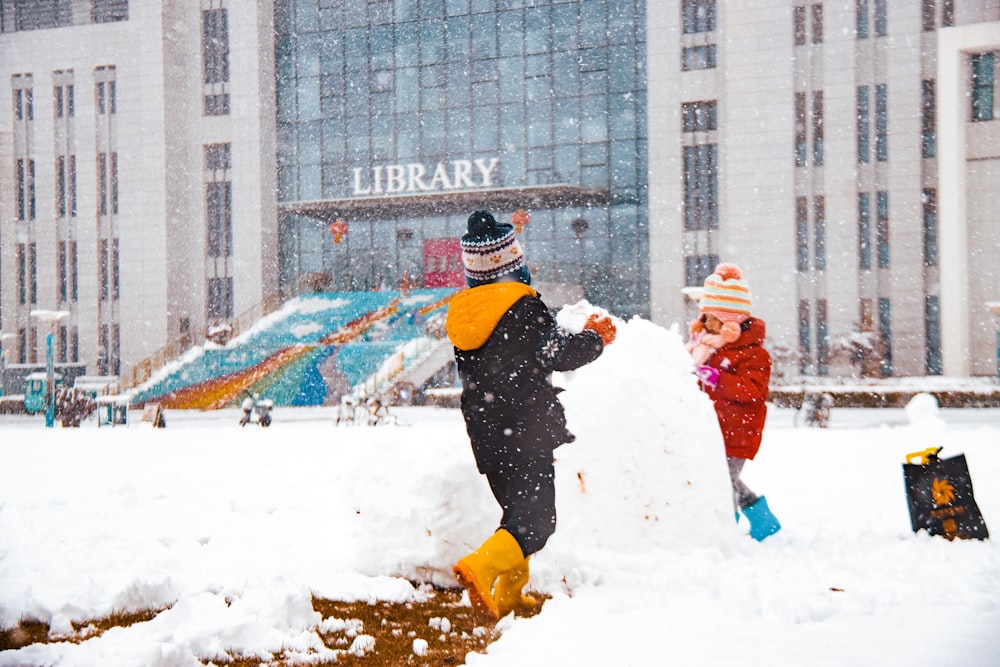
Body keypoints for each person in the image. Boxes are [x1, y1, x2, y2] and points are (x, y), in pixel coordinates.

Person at [446, 210, 616, 621]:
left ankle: (510, 595)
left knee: (516, 511)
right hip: (526, 426)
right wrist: (596, 337)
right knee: (538, 522)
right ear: (512, 265)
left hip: (487, 431)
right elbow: (558, 353)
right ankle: (482, 566)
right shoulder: (523, 308)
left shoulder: (463, 314)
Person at [687, 263, 781, 541]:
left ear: (731, 322)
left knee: (722, 480)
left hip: (738, 430)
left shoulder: (754, 355)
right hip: (714, 428)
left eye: (712, 321)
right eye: (704, 319)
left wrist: (719, 379)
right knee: (723, 478)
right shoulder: (709, 349)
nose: (704, 326)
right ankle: (763, 521)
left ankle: (725, 529)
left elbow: (752, 390)